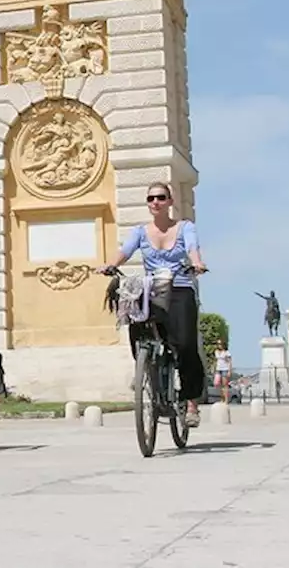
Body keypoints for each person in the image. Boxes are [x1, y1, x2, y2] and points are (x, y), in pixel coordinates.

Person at [97, 182, 208, 427]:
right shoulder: (140, 231)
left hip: (179, 287)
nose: (155, 202)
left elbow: (192, 248)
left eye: (160, 197)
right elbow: (124, 251)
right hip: (153, 288)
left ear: (170, 202)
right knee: (134, 320)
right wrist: (110, 264)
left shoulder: (184, 228)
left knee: (187, 344)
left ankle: (191, 402)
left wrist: (197, 263)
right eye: (150, 199)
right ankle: (145, 367)